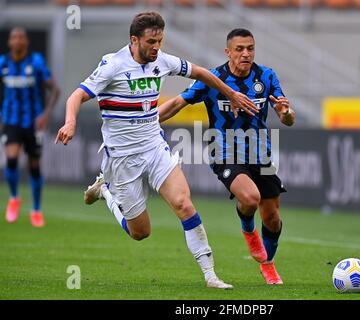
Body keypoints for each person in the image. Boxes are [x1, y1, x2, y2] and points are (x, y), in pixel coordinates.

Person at [55, 12, 258, 289]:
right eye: (151, 41)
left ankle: (210, 275)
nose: (156, 47)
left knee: (184, 205)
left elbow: (199, 72)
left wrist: (230, 93)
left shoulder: (161, 60)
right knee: (141, 232)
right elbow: (76, 95)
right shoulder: (112, 65)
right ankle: (105, 192)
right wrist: (70, 121)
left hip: (154, 147)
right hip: (122, 158)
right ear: (134, 40)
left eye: (160, 41)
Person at [158, 28, 296, 285]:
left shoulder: (266, 76)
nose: (246, 54)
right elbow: (178, 103)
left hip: (260, 153)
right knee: (250, 197)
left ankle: (268, 264)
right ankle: (248, 229)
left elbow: (287, 118)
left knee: (273, 218)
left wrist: (286, 113)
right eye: (240, 49)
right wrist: (147, 121)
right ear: (228, 52)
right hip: (225, 151)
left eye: (250, 48)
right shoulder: (214, 79)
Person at [1, 27, 60, 227]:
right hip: (11, 120)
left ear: (26, 42)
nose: (17, 41)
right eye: (14, 37)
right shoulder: (3, 63)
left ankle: (36, 209)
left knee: (34, 166)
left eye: (21, 37)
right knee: (11, 158)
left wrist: (45, 114)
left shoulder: (36, 62)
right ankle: (14, 197)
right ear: (9, 42)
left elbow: (55, 90)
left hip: (33, 122)